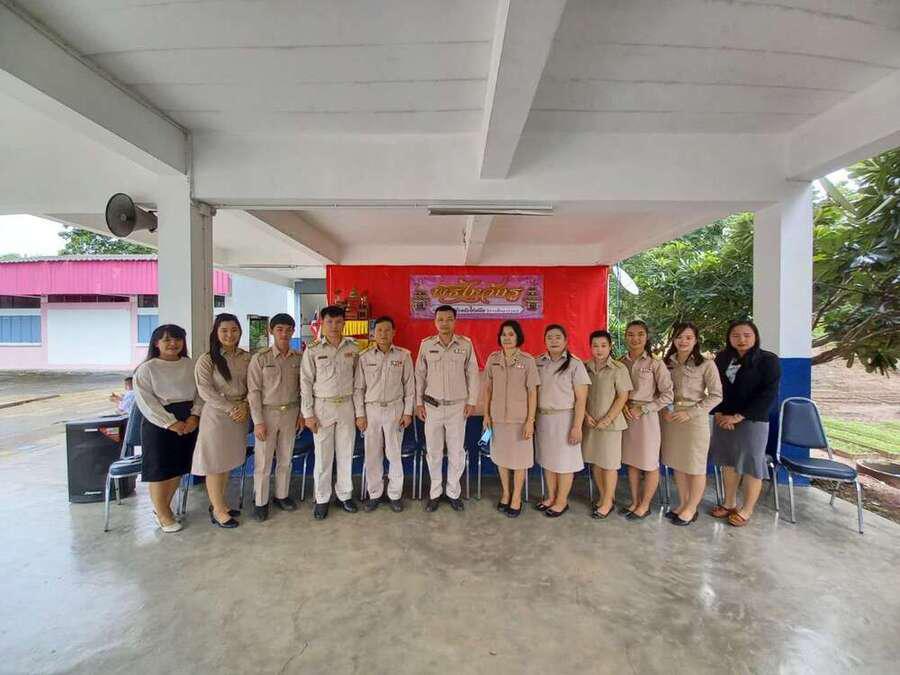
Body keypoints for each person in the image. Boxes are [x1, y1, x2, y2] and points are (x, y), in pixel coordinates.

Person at [708, 320, 781, 528]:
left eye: (747, 335)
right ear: (729, 338)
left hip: (752, 421)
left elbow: (768, 394)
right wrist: (719, 412)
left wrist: (739, 416)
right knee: (729, 461)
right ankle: (729, 503)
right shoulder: (723, 358)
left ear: (755, 337)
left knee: (751, 465)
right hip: (724, 419)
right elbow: (717, 388)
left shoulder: (767, 360)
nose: (741, 339)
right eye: (736, 335)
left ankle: (746, 509)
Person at [132, 324, 202, 533]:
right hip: (159, 424)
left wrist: (194, 416)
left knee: (178, 467)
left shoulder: (191, 365)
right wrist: (170, 423)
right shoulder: (147, 369)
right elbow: (146, 402)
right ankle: (163, 514)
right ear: (156, 343)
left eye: (177, 339)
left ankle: (164, 509)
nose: (173, 344)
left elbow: (200, 393)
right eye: (167, 340)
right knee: (160, 470)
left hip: (188, 419)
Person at [414, 305, 479, 512]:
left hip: (457, 408)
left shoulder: (465, 344)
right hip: (432, 407)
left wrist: (472, 401)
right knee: (433, 452)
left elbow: (473, 374)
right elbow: (419, 375)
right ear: (435, 322)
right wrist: (418, 403)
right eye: (440, 319)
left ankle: (453, 493)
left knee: (456, 453)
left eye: (449, 319)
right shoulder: (426, 345)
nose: (444, 323)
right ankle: (435, 493)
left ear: (455, 321)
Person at [192, 313, 252, 529]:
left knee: (226, 462)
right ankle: (217, 510)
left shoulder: (246, 357)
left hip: (240, 414)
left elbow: (254, 385)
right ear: (216, 333)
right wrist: (231, 408)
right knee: (215, 463)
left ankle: (221, 504)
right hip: (217, 415)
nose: (229, 334)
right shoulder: (207, 359)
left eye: (234, 330)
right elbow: (205, 390)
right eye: (224, 330)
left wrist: (245, 405)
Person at [660, 322, 722, 526]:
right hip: (671, 419)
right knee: (678, 463)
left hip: (694, 420)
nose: (683, 341)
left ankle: (691, 508)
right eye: (679, 337)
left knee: (695, 466)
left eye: (688, 337)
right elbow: (661, 391)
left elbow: (716, 396)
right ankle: (683, 503)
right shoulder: (667, 363)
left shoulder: (706, 364)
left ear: (696, 340)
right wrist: (665, 410)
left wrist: (690, 413)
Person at [301, 305, 360, 520]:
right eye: (329, 322)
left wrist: (359, 412)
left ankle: (344, 495)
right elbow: (306, 383)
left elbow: (358, 382)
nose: (334, 326)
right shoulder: (313, 350)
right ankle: (322, 498)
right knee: (323, 456)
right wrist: (308, 414)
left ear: (344, 323)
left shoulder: (353, 348)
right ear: (322, 324)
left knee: (346, 452)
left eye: (338, 322)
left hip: (346, 405)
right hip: (322, 407)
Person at [353, 316, 414, 513]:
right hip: (371, 411)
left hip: (395, 410)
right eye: (379, 330)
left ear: (394, 332)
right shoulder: (364, 357)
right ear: (373, 334)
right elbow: (358, 389)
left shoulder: (403, 356)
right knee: (372, 455)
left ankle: (395, 495)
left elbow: (410, 388)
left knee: (394, 455)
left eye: (387, 330)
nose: (383, 334)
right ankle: (375, 494)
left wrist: (408, 412)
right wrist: (360, 415)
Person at [247, 314, 305, 522]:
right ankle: (260, 502)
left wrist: (301, 414)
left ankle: (282, 495)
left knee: (285, 458)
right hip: (267, 414)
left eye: (288, 329)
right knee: (263, 461)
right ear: (271, 331)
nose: (284, 333)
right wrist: (258, 421)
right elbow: (253, 392)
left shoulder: (299, 358)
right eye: (279, 329)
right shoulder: (261, 358)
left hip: (290, 413)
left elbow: (303, 389)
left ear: (293, 331)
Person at [482, 320, 539, 518]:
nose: (507, 338)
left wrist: (530, 421)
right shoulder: (493, 359)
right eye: (504, 334)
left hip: (520, 421)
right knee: (502, 459)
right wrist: (486, 415)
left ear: (518, 337)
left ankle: (516, 497)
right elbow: (488, 389)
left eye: (511, 334)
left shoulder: (528, 361)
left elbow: (532, 392)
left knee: (520, 461)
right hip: (497, 419)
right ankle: (506, 493)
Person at [534, 324, 590, 518]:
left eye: (558, 337)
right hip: (543, 419)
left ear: (566, 340)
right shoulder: (538, 362)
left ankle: (561, 501)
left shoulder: (575, 364)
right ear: (545, 341)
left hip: (565, 419)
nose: (554, 341)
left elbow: (581, 399)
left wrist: (577, 426)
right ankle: (551, 497)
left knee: (565, 462)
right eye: (549, 337)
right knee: (548, 460)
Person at [620, 320, 673, 520]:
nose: (635, 338)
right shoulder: (620, 362)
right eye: (630, 334)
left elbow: (668, 395)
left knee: (649, 463)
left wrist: (644, 409)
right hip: (626, 416)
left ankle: (645, 505)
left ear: (646, 337)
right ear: (625, 337)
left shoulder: (655, 364)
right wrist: (623, 407)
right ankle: (635, 502)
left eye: (640, 334)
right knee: (632, 462)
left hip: (647, 418)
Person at [581, 330, 631, 519]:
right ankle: (604, 497)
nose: (599, 349)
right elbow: (579, 396)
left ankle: (608, 502)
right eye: (595, 346)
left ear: (610, 347)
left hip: (611, 425)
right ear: (590, 347)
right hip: (591, 424)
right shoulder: (584, 367)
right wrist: (585, 416)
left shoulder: (618, 368)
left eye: (603, 345)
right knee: (597, 462)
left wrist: (608, 419)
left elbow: (623, 396)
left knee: (609, 464)